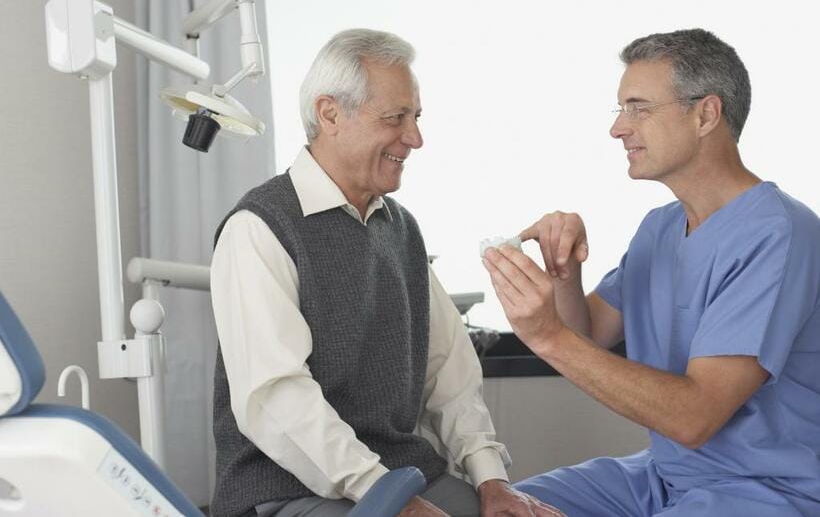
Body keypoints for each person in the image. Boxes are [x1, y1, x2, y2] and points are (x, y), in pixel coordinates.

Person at [209, 29, 560, 517]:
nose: (415, 138)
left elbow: (450, 374)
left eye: (415, 117)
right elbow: (277, 401)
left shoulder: (401, 230)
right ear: (330, 114)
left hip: (401, 477)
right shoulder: (259, 228)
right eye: (396, 118)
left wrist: (492, 480)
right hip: (288, 491)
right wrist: (386, 496)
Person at [482, 28, 820, 516]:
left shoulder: (779, 235)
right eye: (620, 109)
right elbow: (591, 333)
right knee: (509, 507)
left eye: (639, 108)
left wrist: (547, 335)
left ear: (705, 114)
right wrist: (562, 276)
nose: (618, 128)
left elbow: (693, 418)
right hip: (663, 475)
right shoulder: (661, 227)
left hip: (763, 490)